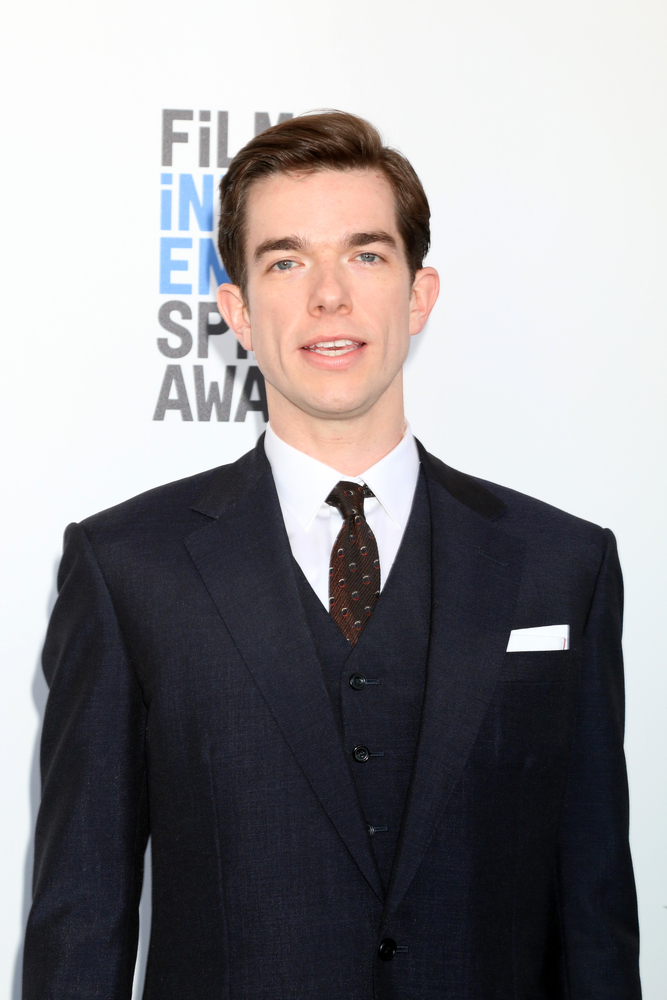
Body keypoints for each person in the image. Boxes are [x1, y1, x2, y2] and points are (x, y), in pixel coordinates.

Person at [23, 111, 641, 999]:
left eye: (364, 255)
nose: (328, 297)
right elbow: (81, 921)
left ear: (418, 294)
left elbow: (594, 916)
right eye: (285, 261)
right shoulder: (127, 569)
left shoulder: (561, 565)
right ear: (236, 310)